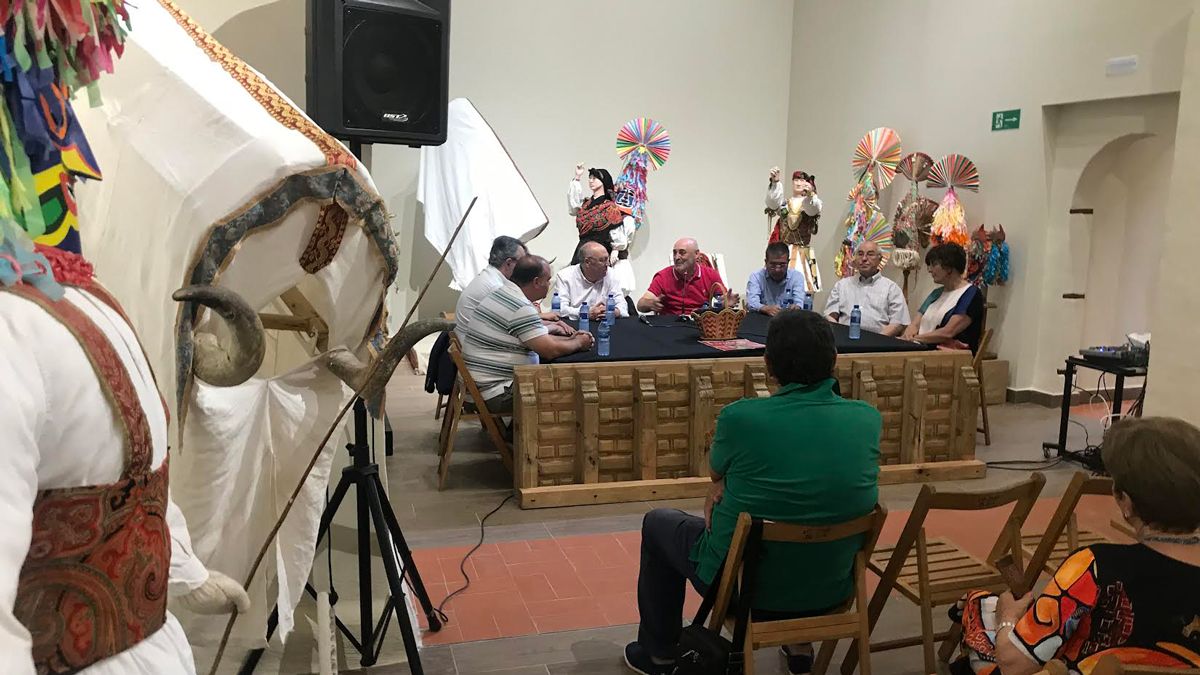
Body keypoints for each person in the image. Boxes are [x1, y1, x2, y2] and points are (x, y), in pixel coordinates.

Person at [623, 311, 881, 675]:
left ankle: (659, 653)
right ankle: (799, 644)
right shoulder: (867, 418)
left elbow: (715, 471)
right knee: (812, 509)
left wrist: (723, 483)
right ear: (834, 361)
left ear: (768, 365)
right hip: (831, 589)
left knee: (658, 523)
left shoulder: (741, 417)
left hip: (746, 591)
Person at [954, 417, 1200, 674]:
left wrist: (1008, 617)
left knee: (983, 611)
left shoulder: (1095, 566)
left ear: (1126, 503)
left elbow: (1014, 664)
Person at [460, 256, 594, 413]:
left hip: (479, 386)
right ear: (536, 282)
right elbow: (549, 350)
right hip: (496, 393)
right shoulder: (520, 307)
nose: (549, 284)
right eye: (548, 280)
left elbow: (532, 337)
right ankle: (542, 436)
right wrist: (579, 342)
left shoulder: (502, 293)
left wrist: (570, 338)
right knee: (570, 389)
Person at [903, 242, 984, 352]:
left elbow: (948, 332)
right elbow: (915, 323)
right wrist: (909, 333)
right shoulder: (936, 293)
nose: (930, 270)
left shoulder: (971, 294)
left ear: (949, 266)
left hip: (952, 359)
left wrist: (915, 339)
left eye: (934, 264)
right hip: (922, 350)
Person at [824, 240, 911, 336]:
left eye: (870, 254)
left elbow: (898, 323)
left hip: (879, 345)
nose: (864, 258)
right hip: (845, 342)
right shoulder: (841, 285)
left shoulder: (891, 288)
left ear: (880, 259)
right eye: (860, 254)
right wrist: (840, 335)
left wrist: (876, 340)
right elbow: (830, 315)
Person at [637, 238, 739, 315]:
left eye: (682, 253)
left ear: (696, 254)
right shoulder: (663, 276)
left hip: (700, 325)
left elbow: (721, 301)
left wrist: (726, 303)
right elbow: (640, 305)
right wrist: (649, 303)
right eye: (674, 253)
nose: (677, 257)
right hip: (670, 326)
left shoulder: (710, 274)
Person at [765, 167, 823, 293]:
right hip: (783, 251)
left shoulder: (810, 202)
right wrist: (775, 183)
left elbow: (812, 209)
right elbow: (773, 203)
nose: (798, 183)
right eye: (795, 180)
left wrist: (810, 195)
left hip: (802, 251)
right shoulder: (785, 203)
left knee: (803, 287)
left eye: (802, 180)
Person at [455, 235, 526, 338]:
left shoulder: (489, 276)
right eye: (522, 262)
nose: (525, 266)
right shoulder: (495, 286)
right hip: (477, 348)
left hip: (472, 341)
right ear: (509, 263)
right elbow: (518, 325)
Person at [553, 241, 629, 321]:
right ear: (587, 262)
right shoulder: (565, 276)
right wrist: (584, 313)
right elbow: (559, 310)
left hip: (605, 325)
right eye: (602, 260)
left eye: (607, 259)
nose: (607, 264)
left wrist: (615, 312)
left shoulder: (611, 274)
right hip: (576, 326)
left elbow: (622, 305)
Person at [568, 164, 625, 265]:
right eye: (590, 178)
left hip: (600, 251)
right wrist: (577, 178)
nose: (591, 180)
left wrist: (616, 250)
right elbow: (574, 206)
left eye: (594, 178)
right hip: (582, 250)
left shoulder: (610, 207)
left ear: (603, 181)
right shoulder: (585, 205)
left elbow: (616, 229)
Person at [747, 242, 807, 316]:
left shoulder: (797, 277)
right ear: (766, 262)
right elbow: (752, 302)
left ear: (788, 262)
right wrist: (765, 308)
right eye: (773, 265)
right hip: (762, 319)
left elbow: (799, 301)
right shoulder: (756, 277)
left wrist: (796, 307)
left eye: (782, 265)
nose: (777, 269)